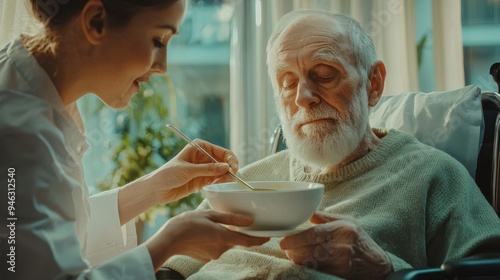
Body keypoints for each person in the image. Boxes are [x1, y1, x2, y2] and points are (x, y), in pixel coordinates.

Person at [165, 10, 500, 280]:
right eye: (287, 83)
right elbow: (174, 264)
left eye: (323, 74)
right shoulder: (249, 182)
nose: (303, 98)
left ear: (373, 83)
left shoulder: (433, 175)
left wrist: (383, 268)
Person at [0, 0, 269, 279]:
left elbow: (43, 241)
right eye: (157, 40)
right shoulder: (21, 134)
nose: (163, 66)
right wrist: (170, 243)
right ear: (95, 22)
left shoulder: (39, 92)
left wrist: (153, 188)